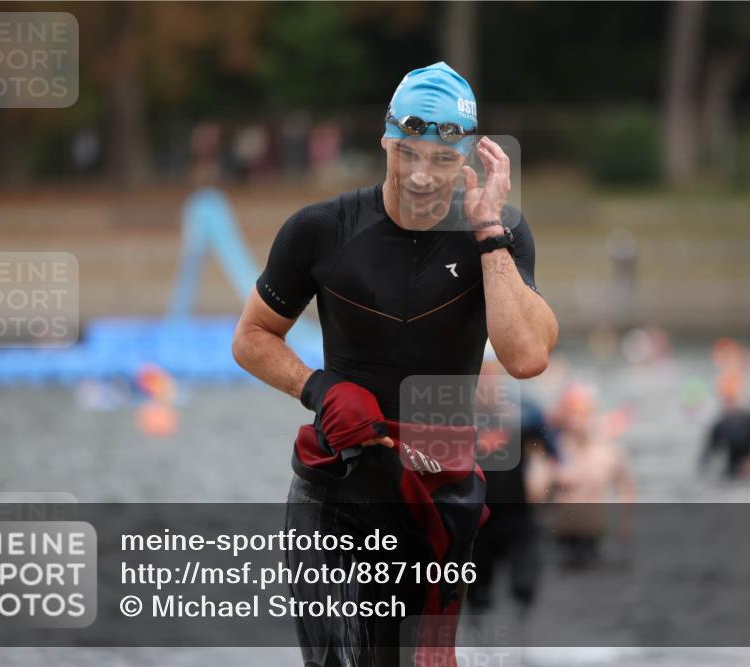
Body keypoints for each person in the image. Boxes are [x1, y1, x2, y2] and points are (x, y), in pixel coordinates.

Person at [232, 62, 558, 666]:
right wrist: (319, 388)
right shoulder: (321, 230)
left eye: (441, 158)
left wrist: (487, 228)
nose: (422, 175)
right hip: (336, 483)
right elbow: (251, 336)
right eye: (407, 153)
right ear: (385, 139)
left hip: (437, 492)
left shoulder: (500, 232)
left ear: (468, 155)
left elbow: (527, 356)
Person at [467, 346, 557, 620]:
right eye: (479, 376)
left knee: (524, 584)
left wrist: (541, 473)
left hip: (517, 512)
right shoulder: (455, 414)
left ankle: (523, 635)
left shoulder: (525, 412)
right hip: (476, 517)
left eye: (491, 375)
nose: (486, 382)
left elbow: (547, 453)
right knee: (477, 590)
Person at [550, 383, 636, 569]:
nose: (576, 420)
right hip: (562, 536)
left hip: (596, 534)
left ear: (592, 415)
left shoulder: (610, 451)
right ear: (563, 416)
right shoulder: (552, 448)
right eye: (571, 413)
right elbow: (534, 493)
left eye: (582, 413)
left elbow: (627, 489)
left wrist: (625, 523)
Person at [700, 373, 750, 479]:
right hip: (731, 473)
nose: (729, 404)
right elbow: (707, 456)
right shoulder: (720, 425)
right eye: (726, 400)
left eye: (732, 399)